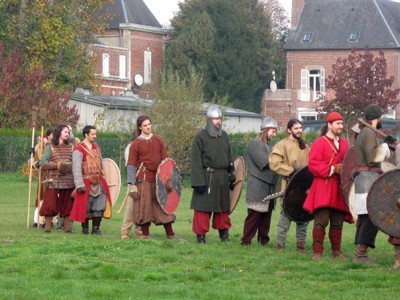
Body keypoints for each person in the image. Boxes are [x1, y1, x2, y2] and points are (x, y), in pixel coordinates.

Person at [303, 112, 353, 260]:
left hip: (339, 188)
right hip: (324, 186)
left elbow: (350, 163)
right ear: (329, 125)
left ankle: (336, 252)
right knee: (321, 221)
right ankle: (317, 252)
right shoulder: (319, 143)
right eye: (337, 123)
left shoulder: (344, 144)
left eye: (342, 123)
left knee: (337, 222)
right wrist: (333, 169)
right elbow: (313, 164)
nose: (341, 126)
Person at [352, 105, 396, 265]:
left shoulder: (364, 132)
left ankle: (359, 254)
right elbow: (373, 158)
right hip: (367, 178)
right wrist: (385, 144)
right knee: (372, 218)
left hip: (366, 178)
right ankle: (360, 255)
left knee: (366, 218)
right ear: (376, 118)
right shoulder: (368, 132)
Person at [125, 115, 180, 240]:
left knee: (163, 207)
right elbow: (131, 164)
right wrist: (131, 183)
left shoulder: (158, 139)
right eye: (145, 125)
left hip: (159, 179)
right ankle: (145, 235)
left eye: (149, 124)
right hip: (143, 179)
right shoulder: (136, 143)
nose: (148, 127)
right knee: (144, 207)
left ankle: (170, 234)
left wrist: (168, 176)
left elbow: (165, 159)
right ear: (140, 127)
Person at [190, 106, 235, 244]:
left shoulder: (225, 136)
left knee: (222, 209)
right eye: (215, 119)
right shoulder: (200, 137)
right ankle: (201, 237)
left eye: (220, 119)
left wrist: (231, 173)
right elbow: (196, 161)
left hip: (222, 178)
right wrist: (198, 182)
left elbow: (229, 156)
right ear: (209, 120)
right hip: (207, 177)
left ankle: (224, 235)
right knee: (203, 209)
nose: (218, 122)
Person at [269, 118, 310, 252]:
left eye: (301, 128)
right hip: (289, 186)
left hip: (304, 188)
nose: (299, 131)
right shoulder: (282, 145)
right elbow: (274, 163)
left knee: (303, 218)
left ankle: (301, 246)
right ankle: (280, 246)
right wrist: (292, 171)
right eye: (296, 128)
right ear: (289, 130)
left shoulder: (305, 145)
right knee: (285, 216)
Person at [241, 117, 278, 246]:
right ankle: (246, 240)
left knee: (266, 216)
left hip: (269, 185)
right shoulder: (255, 143)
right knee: (254, 215)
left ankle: (263, 240)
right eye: (273, 131)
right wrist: (280, 163)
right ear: (265, 130)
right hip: (257, 184)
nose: (274, 134)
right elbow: (264, 162)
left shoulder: (269, 146)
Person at [70, 125, 112, 235]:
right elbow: (76, 168)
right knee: (85, 207)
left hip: (98, 181)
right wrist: (79, 185)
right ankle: (85, 229)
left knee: (99, 206)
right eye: (92, 134)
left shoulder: (97, 147)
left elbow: (101, 163)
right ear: (86, 134)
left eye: (95, 134)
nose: (95, 136)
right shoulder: (79, 149)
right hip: (85, 181)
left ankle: (96, 229)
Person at [36, 124, 74, 233]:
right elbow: (43, 163)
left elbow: (76, 163)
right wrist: (57, 165)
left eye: (68, 132)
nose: (68, 134)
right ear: (59, 133)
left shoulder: (71, 147)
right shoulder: (50, 147)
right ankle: (48, 228)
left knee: (67, 206)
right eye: (65, 132)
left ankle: (68, 229)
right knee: (50, 205)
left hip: (68, 181)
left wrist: (69, 165)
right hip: (54, 181)